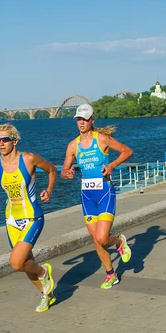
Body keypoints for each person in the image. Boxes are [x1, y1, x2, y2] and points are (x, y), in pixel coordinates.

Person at [0, 123, 57, 312]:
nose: (1, 143)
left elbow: (52, 170)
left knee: (16, 262)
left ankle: (44, 271)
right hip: (11, 220)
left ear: (14, 140)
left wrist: (48, 190)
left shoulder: (29, 159)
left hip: (32, 217)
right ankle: (46, 295)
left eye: (5, 139)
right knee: (24, 263)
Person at [61, 104, 133, 289]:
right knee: (96, 240)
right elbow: (65, 170)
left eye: (85, 119)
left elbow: (127, 151)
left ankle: (119, 241)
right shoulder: (73, 145)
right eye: (79, 119)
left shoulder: (102, 139)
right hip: (87, 196)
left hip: (105, 193)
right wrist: (66, 174)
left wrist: (112, 166)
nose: (81, 122)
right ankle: (111, 274)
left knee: (102, 238)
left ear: (92, 120)